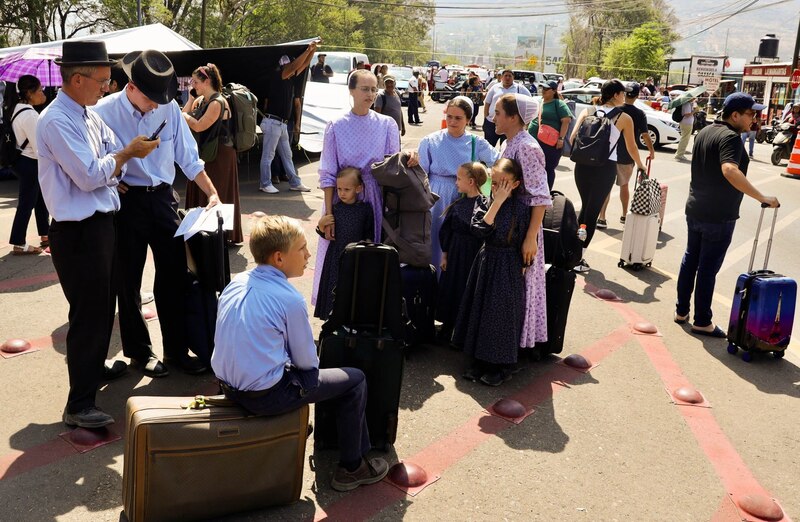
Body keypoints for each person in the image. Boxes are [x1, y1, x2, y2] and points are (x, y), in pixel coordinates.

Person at [211, 215, 390, 492]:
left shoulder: (236, 283)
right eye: (302, 249)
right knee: (354, 379)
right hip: (264, 397)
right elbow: (308, 364)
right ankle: (352, 467)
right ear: (279, 258)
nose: (309, 254)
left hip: (226, 388)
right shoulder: (289, 299)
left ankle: (303, 428)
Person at [37, 40, 160, 428]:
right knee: (89, 314)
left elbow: (109, 165)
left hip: (100, 225)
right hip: (77, 232)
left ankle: (90, 373)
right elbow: (93, 174)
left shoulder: (87, 115)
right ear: (77, 79)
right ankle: (79, 404)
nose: (106, 88)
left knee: (104, 306)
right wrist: (123, 158)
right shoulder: (56, 120)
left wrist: (117, 162)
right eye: (103, 81)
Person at [94, 49, 220, 377]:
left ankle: (177, 350)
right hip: (127, 204)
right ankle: (140, 353)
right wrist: (112, 177)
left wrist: (211, 191)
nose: (155, 106)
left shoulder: (167, 107)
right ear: (132, 87)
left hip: (164, 198)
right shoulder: (103, 111)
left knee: (175, 275)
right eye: (150, 99)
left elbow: (187, 155)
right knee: (128, 281)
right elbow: (94, 162)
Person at [675, 93, 779, 337]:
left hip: (696, 207)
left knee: (691, 259)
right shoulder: (731, 138)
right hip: (718, 215)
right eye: (751, 113)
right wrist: (761, 197)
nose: (754, 118)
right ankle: (702, 320)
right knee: (707, 268)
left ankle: (681, 310)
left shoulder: (706, 131)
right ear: (735, 115)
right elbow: (729, 170)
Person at [311, 69, 401, 309]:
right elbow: (328, 173)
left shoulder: (387, 124)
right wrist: (328, 215)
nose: (370, 94)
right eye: (365, 89)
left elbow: (394, 165)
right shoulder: (336, 125)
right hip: (343, 200)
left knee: (372, 252)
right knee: (340, 254)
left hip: (375, 197)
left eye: (374, 89)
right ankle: (336, 308)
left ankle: (367, 310)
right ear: (351, 91)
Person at [453, 158, 530, 386]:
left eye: (504, 184)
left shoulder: (521, 209)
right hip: (487, 261)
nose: (497, 188)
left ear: (515, 185)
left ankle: (498, 366)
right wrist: (497, 202)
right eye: (494, 183)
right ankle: (477, 361)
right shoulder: (485, 202)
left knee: (500, 314)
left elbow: (524, 240)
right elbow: (479, 230)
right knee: (480, 309)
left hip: (507, 265)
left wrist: (524, 267)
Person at [569, 80, 647, 273]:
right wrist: (640, 165)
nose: (625, 97)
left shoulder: (587, 112)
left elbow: (572, 139)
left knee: (585, 207)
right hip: (605, 168)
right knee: (592, 213)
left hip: (582, 166)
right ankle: (579, 257)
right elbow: (631, 146)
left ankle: (572, 251)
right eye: (623, 93)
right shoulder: (624, 118)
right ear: (615, 95)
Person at [495, 93, 552, 352]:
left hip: (523, 226)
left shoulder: (527, 147)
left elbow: (540, 195)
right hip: (509, 222)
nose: (493, 118)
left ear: (514, 117)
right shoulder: (511, 142)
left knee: (520, 286)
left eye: (497, 113)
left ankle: (514, 346)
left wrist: (531, 237)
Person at [418, 96, 499, 273]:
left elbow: (498, 161)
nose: (452, 121)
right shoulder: (430, 141)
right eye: (449, 116)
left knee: (457, 241)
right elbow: (421, 173)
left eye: (458, 118)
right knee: (435, 236)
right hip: (436, 197)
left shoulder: (476, 143)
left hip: (463, 197)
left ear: (468, 119)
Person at [182, 63, 244, 244]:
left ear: (206, 81)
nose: (193, 85)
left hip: (220, 155)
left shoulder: (218, 102)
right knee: (203, 188)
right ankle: (203, 232)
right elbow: (184, 117)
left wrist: (185, 116)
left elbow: (198, 125)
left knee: (219, 190)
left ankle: (222, 236)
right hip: (207, 152)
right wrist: (189, 100)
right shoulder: (201, 100)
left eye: (195, 82)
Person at [436, 161, 488, 342]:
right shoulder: (458, 203)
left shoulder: (484, 204)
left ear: (472, 181)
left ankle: (464, 329)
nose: (456, 182)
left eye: (459, 178)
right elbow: (447, 230)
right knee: (450, 287)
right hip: (455, 253)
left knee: (466, 290)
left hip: (472, 256)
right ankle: (447, 325)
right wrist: (444, 254)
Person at [314, 167, 374, 319]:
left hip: (356, 258)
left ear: (359, 188)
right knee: (334, 288)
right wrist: (321, 224)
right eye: (339, 189)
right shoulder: (334, 209)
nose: (341, 193)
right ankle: (332, 320)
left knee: (353, 290)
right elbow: (324, 233)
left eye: (347, 189)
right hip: (336, 257)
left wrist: (367, 255)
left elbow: (369, 234)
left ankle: (350, 321)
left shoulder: (365, 209)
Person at [258, 44, 315, 194]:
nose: (292, 69)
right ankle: (265, 183)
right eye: (288, 66)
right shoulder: (279, 75)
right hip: (273, 122)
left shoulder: (290, 78)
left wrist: (313, 50)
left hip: (281, 124)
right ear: (283, 67)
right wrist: (308, 50)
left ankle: (295, 182)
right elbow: (296, 65)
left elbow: (303, 64)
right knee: (268, 156)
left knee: (287, 155)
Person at [598, 82, 655, 228]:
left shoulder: (615, 109)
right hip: (626, 157)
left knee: (606, 187)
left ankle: (602, 218)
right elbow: (644, 135)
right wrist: (651, 150)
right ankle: (624, 216)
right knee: (624, 186)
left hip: (609, 154)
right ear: (637, 96)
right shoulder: (639, 113)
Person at [8, 74, 49, 255]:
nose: (43, 93)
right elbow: (39, 147)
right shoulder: (30, 115)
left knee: (39, 200)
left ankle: (45, 234)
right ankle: (18, 242)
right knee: (27, 203)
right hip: (30, 162)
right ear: (29, 93)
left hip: (22, 161)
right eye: (40, 90)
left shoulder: (17, 108)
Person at [527, 80, 574, 189]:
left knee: (548, 169)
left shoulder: (558, 103)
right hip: (535, 141)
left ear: (553, 91)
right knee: (534, 168)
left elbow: (566, 120)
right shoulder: (540, 102)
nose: (543, 91)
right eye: (542, 88)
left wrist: (561, 139)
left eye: (546, 89)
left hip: (550, 144)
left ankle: (547, 194)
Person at [482, 70, 531, 146]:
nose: (507, 78)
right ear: (501, 77)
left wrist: (524, 121)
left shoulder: (520, 89)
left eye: (510, 76)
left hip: (509, 124)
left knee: (506, 147)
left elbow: (530, 102)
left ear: (513, 77)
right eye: (506, 76)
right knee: (488, 146)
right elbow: (487, 103)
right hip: (492, 123)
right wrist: (486, 117)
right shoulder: (495, 87)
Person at [674, 96, 696, 161]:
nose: (694, 98)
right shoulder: (686, 104)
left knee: (684, 138)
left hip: (686, 123)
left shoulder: (688, 103)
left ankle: (680, 153)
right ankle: (679, 154)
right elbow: (687, 114)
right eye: (693, 97)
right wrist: (694, 111)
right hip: (686, 123)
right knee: (685, 139)